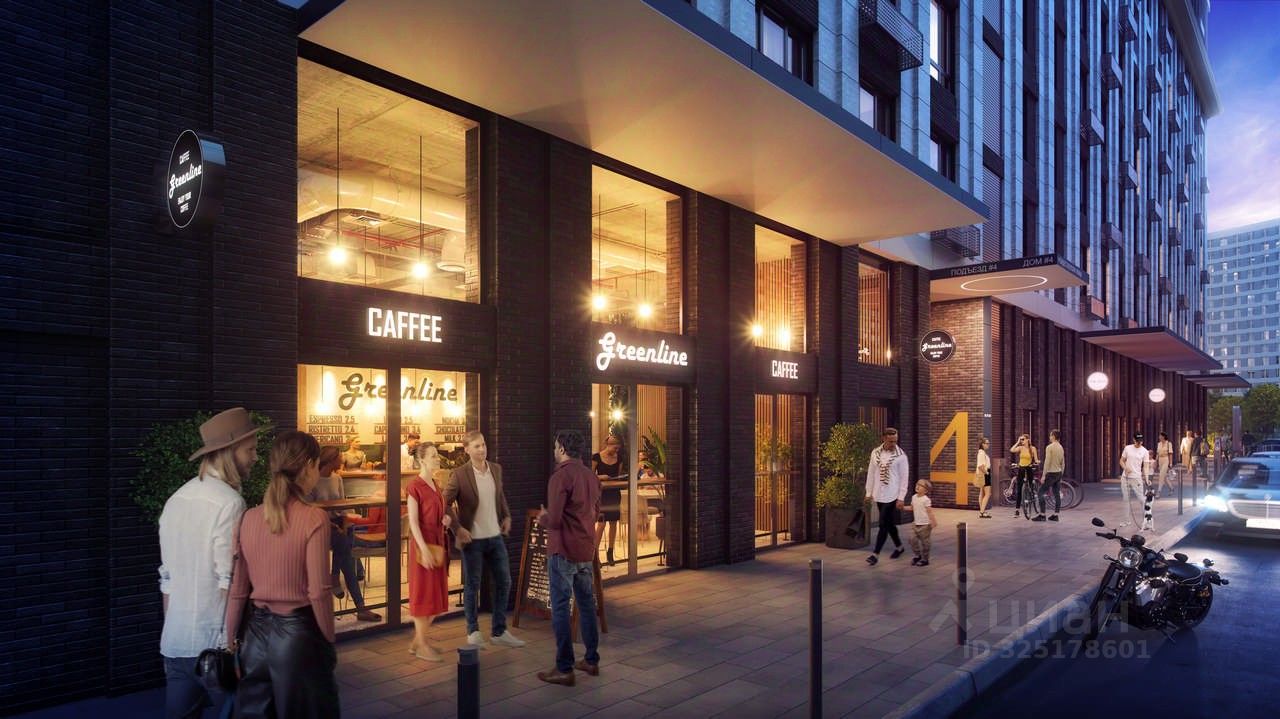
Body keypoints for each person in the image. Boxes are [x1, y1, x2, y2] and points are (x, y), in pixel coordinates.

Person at [226, 430, 340, 718]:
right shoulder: (314, 517)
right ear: (309, 466)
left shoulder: (248, 518)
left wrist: (230, 640)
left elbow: (238, 589)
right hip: (298, 636)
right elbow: (319, 591)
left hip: (255, 636)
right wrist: (328, 640)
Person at [158, 407, 261, 719]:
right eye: (250, 450)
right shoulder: (230, 502)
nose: (256, 457)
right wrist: (230, 644)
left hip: (175, 641)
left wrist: (172, 630)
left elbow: (167, 579)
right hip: (213, 646)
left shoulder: (175, 499)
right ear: (229, 452)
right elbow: (229, 581)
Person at [443, 430, 525, 649]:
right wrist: (458, 529)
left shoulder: (495, 469)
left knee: (504, 581)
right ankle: (473, 632)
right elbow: (444, 503)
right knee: (473, 585)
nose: (482, 449)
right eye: (477, 446)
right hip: (473, 540)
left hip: (495, 537)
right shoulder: (459, 474)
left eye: (483, 445)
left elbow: (500, 495)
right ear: (467, 449)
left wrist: (506, 515)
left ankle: (499, 631)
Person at [536, 430, 603, 686]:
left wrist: (542, 517)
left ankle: (564, 668)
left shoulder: (561, 476)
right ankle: (591, 660)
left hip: (563, 549)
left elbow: (554, 520)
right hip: (586, 549)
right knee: (586, 605)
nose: (554, 451)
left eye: (556, 447)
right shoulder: (591, 476)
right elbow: (595, 512)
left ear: (563, 448)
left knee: (561, 607)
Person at [308, 446, 379, 623]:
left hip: (339, 522)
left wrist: (346, 523)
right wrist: (332, 525)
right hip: (319, 525)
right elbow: (309, 511)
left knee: (346, 550)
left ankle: (337, 580)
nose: (342, 460)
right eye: (339, 458)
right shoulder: (312, 481)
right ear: (330, 460)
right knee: (344, 546)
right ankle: (359, 605)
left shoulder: (337, 478)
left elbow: (343, 505)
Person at [406, 442, 449, 661]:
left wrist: (445, 519)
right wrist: (423, 549)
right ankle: (422, 645)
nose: (437, 458)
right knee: (424, 595)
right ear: (421, 460)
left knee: (436, 597)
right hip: (423, 546)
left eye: (437, 454)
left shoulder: (436, 484)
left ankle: (417, 642)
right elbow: (413, 522)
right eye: (433, 455)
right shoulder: (414, 486)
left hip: (437, 543)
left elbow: (438, 513)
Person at [865, 428, 909, 565]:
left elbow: (904, 478)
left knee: (883, 523)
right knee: (889, 523)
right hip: (879, 493)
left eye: (895, 441)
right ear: (884, 438)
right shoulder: (875, 453)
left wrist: (901, 497)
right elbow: (871, 473)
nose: (893, 444)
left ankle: (875, 554)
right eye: (891, 441)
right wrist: (868, 493)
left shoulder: (901, 456)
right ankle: (899, 547)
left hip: (892, 494)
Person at [591, 434, 624, 567]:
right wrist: (601, 477)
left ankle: (610, 552)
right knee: (601, 523)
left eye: (618, 449)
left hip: (614, 493)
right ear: (608, 445)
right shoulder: (596, 457)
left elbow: (618, 476)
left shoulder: (619, 458)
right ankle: (595, 555)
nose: (616, 451)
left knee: (614, 523)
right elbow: (590, 476)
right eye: (614, 448)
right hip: (601, 494)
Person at [1119, 433, 1151, 529]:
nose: (1139, 443)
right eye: (1137, 441)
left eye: (1141, 441)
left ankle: (1146, 521)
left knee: (1141, 499)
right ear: (1134, 440)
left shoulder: (1145, 451)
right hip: (1125, 478)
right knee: (1126, 499)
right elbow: (1121, 461)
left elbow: (1146, 466)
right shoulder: (1127, 448)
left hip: (1137, 478)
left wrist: (1147, 478)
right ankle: (1126, 521)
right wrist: (1125, 468)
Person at [1036, 430, 1065, 522]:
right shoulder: (1061, 447)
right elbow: (1063, 463)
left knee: (1040, 492)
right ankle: (1056, 515)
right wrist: (1061, 475)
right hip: (1058, 473)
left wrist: (1043, 475)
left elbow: (1047, 462)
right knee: (1056, 494)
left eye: (1050, 435)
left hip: (1051, 473)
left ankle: (1042, 515)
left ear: (1053, 436)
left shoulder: (1049, 447)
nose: (1049, 437)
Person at [1009, 434, 1040, 518]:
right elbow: (1012, 450)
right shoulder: (1020, 448)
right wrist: (1017, 442)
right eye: (1021, 439)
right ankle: (1017, 510)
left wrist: (1037, 462)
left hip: (1029, 468)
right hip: (1021, 468)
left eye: (1023, 439)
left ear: (1027, 440)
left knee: (1031, 486)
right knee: (1019, 490)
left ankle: (1032, 496)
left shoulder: (1033, 448)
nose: (1022, 441)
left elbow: (1036, 459)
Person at [909, 480, 938, 567]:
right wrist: (902, 507)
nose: (917, 486)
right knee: (912, 539)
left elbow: (929, 512)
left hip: (925, 525)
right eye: (917, 484)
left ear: (926, 490)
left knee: (925, 543)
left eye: (921, 485)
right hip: (915, 523)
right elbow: (911, 508)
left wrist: (933, 521)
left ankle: (925, 559)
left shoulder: (926, 500)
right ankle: (918, 555)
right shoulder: (914, 497)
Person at [975, 437, 993, 519]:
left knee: (982, 493)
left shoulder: (981, 452)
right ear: (982, 444)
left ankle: (982, 511)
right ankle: (982, 512)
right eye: (987, 443)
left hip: (982, 474)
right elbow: (980, 466)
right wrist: (986, 472)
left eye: (989, 443)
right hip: (984, 474)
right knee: (988, 493)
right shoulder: (981, 453)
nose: (988, 445)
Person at [1155, 432, 1174, 497]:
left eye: (1160, 436)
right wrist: (1156, 461)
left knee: (1161, 475)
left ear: (1163, 436)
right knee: (1164, 476)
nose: (1159, 437)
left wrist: (1170, 463)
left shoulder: (1169, 443)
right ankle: (1171, 488)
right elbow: (1157, 453)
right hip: (1160, 460)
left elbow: (1170, 454)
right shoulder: (1159, 444)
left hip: (1166, 459)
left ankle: (1159, 491)